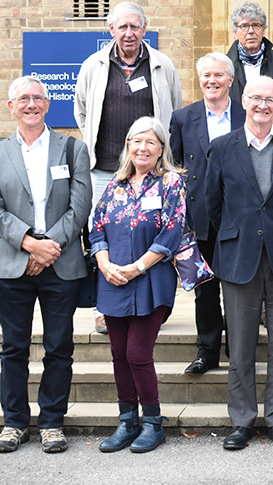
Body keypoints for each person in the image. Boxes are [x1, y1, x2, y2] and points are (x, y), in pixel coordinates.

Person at [0, 76, 92, 453]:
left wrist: (48, 248)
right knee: (13, 347)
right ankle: (13, 423)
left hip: (60, 264)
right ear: (11, 107)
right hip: (11, 264)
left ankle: (51, 423)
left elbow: (80, 209)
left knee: (59, 346)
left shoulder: (72, 150)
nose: (31, 104)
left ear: (48, 105)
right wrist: (30, 244)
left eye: (38, 98)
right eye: (23, 98)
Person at [205, 76, 273, 451]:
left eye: (271, 99)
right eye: (256, 98)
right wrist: (238, 232)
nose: (263, 105)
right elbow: (213, 204)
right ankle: (242, 421)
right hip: (238, 258)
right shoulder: (222, 148)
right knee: (241, 346)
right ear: (242, 100)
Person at [74, 0, 183, 333]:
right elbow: (81, 110)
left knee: (146, 234)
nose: (129, 33)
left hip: (150, 172)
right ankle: (105, 309)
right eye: (122, 26)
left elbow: (173, 112)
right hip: (105, 169)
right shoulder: (93, 65)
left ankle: (148, 308)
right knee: (104, 237)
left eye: (135, 26)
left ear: (144, 30)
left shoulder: (162, 65)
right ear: (111, 30)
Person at [91, 116, 185, 454]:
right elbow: (96, 229)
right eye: (137, 141)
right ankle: (127, 421)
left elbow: (171, 233)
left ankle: (153, 423)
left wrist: (135, 268)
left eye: (150, 142)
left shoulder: (171, 183)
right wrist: (104, 264)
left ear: (161, 150)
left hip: (151, 281)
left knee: (137, 353)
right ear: (128, 146)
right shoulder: (114, 185)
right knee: (118, 354)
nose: (142, 147)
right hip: (112, 280)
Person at [169, 52, 246, 375]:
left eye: (218, 75)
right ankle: (208, 351)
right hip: (199, 216)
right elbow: (172, 168)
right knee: (205, 288)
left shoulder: (247, 113)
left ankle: (239, 352)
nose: (211, 81)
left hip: (240, 215)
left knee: (240, 288)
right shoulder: (183, 118)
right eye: (206, 76)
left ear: (230, 80)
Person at [225, 1, 273, 134]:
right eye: (244, 26)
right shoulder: (224, 66)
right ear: (235, 32)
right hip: (235, 141)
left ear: (263, 30)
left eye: (256, 25)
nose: (251, 31)